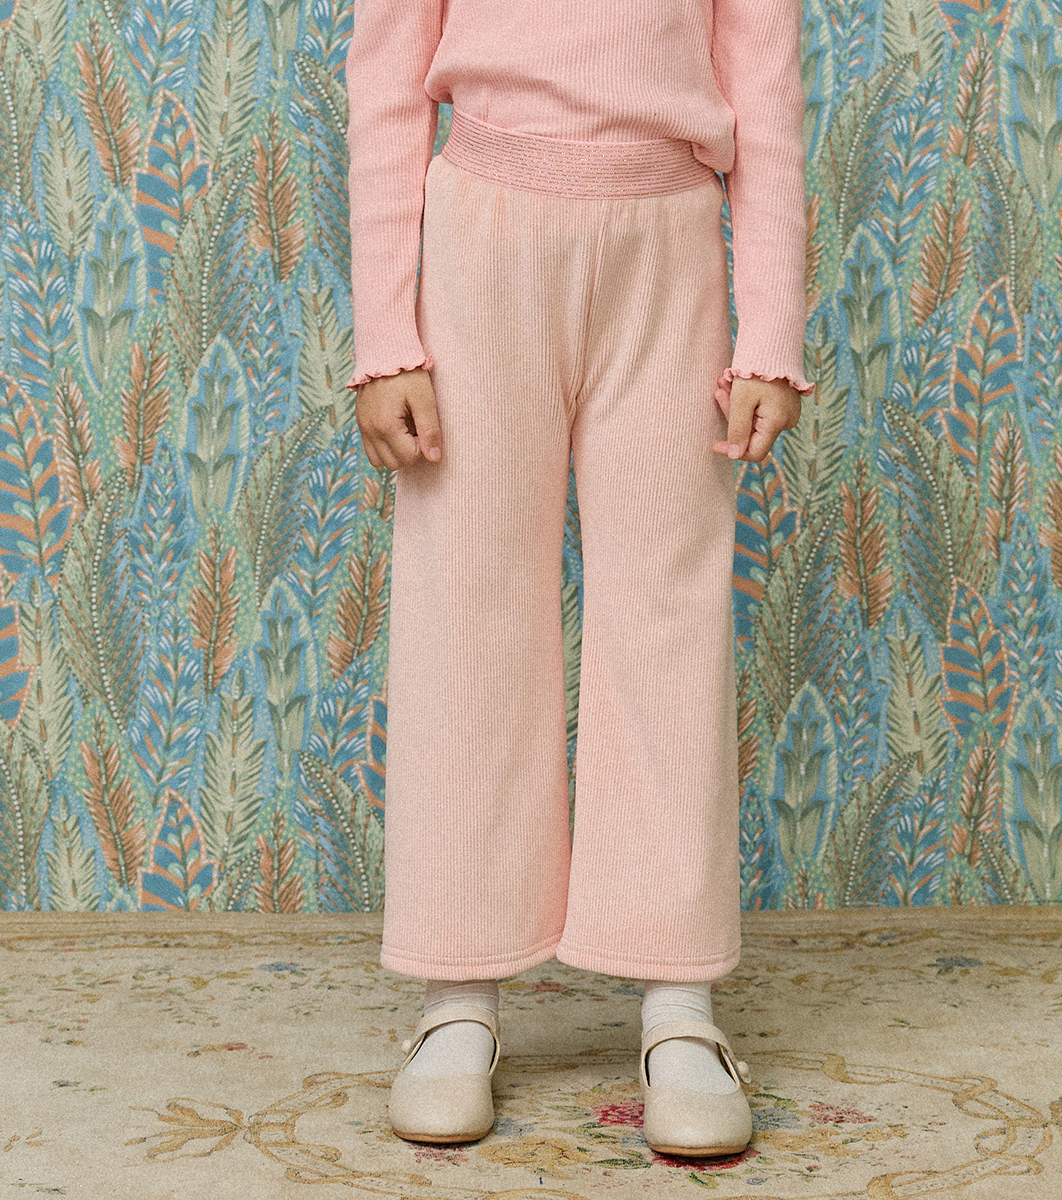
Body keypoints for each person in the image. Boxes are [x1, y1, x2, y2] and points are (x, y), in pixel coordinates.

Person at [345, 0, 813, 1158]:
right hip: (482, 235)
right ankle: (458, 996)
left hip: (668, 241)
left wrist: (772, 333)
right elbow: (388, 83)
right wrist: (387, 338)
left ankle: (679, 1003)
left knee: (669, 611)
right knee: (466, 607)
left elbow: (764, 92)